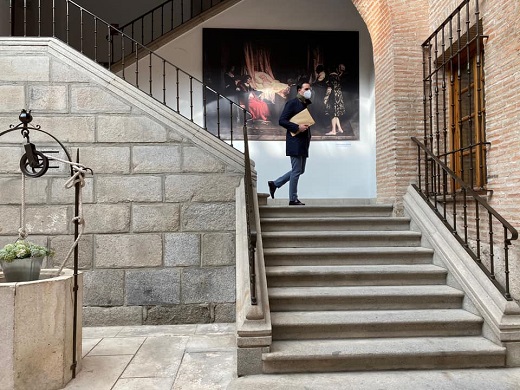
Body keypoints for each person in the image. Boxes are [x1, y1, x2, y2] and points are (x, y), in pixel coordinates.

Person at [268, 83, 312, 205]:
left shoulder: (304, 104)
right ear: (299, 90)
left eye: (310, 89)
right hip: (295, 141)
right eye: (307, 89)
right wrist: (297, 126)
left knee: (300, 170)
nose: (309, 91)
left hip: (303, 142)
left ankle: (275, 184)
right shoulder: (292, 103)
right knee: (297, 170)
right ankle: (293, 198)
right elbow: (282, 120)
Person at [324, 64, 346, 135]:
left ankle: (333, 131)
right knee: (336, 113)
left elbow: (329, 88)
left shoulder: (330, 76)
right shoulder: (338, 76)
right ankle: (339, 129)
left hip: (333, 96)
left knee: (332, 113)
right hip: (338, 95)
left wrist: (326, 98)